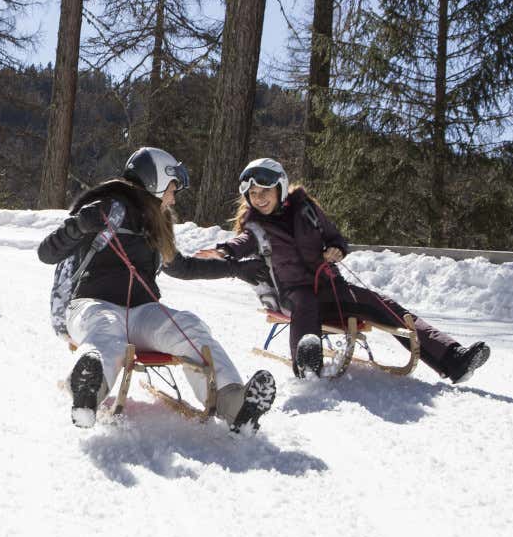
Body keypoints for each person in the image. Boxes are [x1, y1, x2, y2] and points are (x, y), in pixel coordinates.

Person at [37, 146, 277, 431]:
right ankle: (88, 394)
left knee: (190, 326)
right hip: (91, 305)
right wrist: (78, 225)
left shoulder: (156, 223)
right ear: (156, 181)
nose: (174, 197)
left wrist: (236, 269)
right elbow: (46, 253)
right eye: (172, 188)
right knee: (107, 330)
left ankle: (234, 404)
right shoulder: (106, 207)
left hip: (142, 313)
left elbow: (184, 267)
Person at [197, 157, 490, 383]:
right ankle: (307, 364)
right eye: (253, 194)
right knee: (305, 302)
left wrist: (336, 249)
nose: (259, 198)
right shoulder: (255, 226)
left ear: (281, 187)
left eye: (264, 191)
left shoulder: (306, 208)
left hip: (330, 285)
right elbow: (243, 242)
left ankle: (454, 358)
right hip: (291, 293)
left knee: (382, 305)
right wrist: (224, 250)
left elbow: (334, 236)